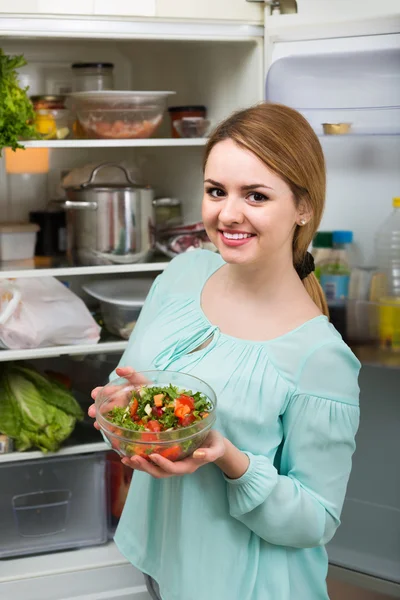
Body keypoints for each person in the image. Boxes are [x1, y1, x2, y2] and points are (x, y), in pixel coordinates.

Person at [89, 102, 360, 600]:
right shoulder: (182, 274)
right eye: (216, 191)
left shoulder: (320, 356)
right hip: (163, 566)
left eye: (255, 195)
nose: (228, 214)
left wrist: (229, 458)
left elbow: (316, 522)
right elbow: (140, 400)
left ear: (304, 208)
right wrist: (129, 416)